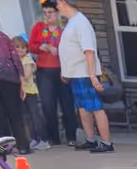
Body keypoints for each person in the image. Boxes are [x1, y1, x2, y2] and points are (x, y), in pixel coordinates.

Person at [56, 0, 112, 152]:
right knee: (82, 108)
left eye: (58, 3)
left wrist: (92, 76)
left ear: (64, 3)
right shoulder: (72, 22)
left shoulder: (81, 23)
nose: (57, 7)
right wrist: (66, 71)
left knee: (96, 107)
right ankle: (90, 139)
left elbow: (89, 51)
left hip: (86, 73)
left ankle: (107, 143)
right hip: (76, 74)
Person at [29, 0, 77, 146]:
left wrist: (59, 51)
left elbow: (72, 50)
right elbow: (30, 46)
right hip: (44, 71)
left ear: (57, 13)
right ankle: (54, 138)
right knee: (48, 106)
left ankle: (71, 137)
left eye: (50, 12)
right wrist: (40, 47)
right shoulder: (38, 27)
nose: (47, 16)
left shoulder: (64, 29)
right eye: (45, 13)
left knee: (67, 105)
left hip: (63, 70)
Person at [0, 9, 30, 154]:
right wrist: (22, 83)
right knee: (15, 114)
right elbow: (16, 60)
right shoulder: (4, 37)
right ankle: (24, 146)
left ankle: (2, 149)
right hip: (10, 80)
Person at [13, 36, 50, 150]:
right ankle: (34, 138)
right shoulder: (14, 61)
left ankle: (44, 139)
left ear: (27, 49)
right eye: (17, 47)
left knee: (35, 116)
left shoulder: (27, 60)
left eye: (23, 47)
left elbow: (27, 75)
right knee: (27, 117)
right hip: (21, 92)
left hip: (30, 92)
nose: (20, 50)